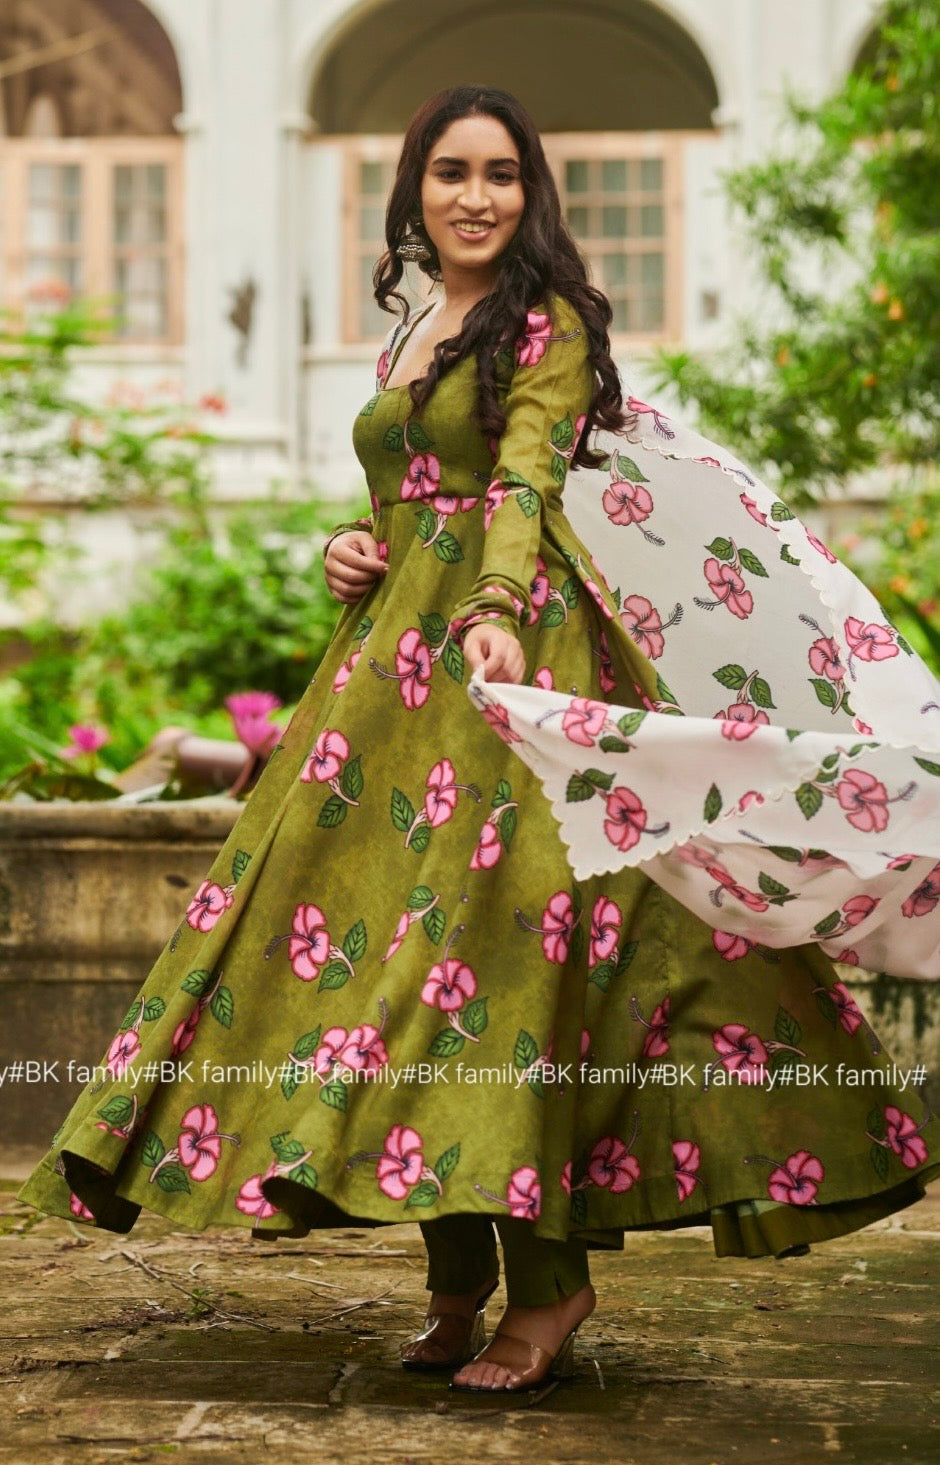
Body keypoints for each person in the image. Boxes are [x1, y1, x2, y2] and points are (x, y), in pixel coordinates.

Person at [17, 85, 940, 1395]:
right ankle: (454, 1281)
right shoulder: (411, 330)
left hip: (506, 664)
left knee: (497, 972)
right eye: (451, 171)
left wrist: (502, 612)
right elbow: (405, 494)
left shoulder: (544, 322)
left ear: (530, 194)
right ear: (413, 190)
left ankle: (546, 1291)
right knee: (396, 969)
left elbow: (520, 484)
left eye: (501, 174)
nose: (476, 194)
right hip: (387, 685)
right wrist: (350, 547)